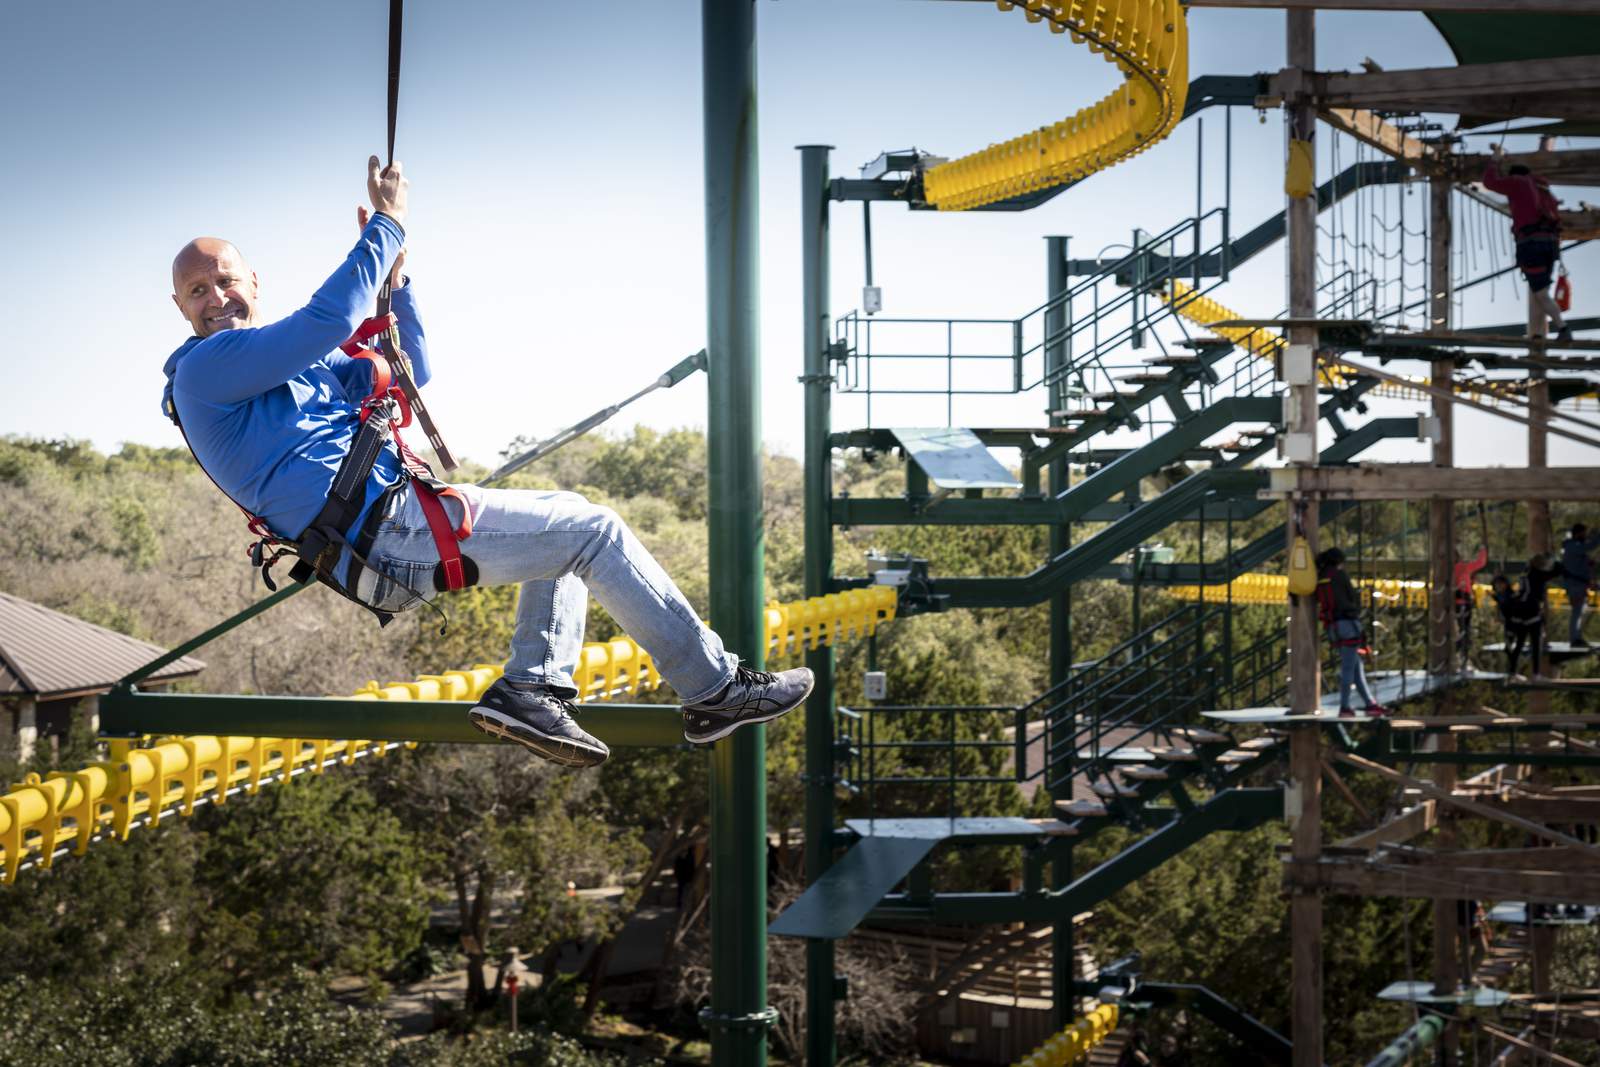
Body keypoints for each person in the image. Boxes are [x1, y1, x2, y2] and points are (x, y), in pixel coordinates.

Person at [161, 157, 812, 768]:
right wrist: (388, 222)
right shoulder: (204, 373)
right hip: (385, 531)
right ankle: (713, 686)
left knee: (571, 522)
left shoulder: (295, 370)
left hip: (386, 532)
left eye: (225, 280)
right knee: (595, 533)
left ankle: (533, 686)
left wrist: (398, 280)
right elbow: (327, 317)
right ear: (181, 311)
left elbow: (411, 369)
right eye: (197, 291)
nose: (215, 298)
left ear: (253, 283)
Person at [1483, 151, 1572, 343]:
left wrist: (1494, 162)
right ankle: (1539, 332)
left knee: (1540, 293)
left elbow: (1490, 183)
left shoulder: (1518, 182)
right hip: (1549, 245)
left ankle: (1563, 328)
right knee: (1541, 291)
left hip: (1532, 245)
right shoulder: (1543, 189)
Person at [1315, 547, 1388, 717]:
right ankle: (1345, 707)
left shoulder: (1321, 577)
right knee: (1348, 668)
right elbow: (1352, 598)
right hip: (1347, 625)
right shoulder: (1339, 576)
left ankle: (1370, 703)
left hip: (1332, 627)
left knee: (1357, 666)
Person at [1491, 556, 1563, 678]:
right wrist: (1554, 561)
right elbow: (1557, 571)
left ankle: (1517, 672)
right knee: (1528, 645)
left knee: (1522, 645)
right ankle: (1529, 673)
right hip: (1528, 616)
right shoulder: (1535, 575)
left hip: (1524, 617)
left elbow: (1518, 596)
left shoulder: (1524, 577)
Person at [1559, 522, 1600, 648]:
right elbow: (1590, 546)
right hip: (1575, 585)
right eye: (1584, 533)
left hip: (1579, 584)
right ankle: (1574, 638)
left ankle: (1576, 637)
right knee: (1576, 612)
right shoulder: (1573, 546)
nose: (1585, 536)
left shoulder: (1574, 547)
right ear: (1578, 533)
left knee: (1579, 612)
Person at [1453, 544, 1488, 668]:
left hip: (1454, 603)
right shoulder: (1463, 567)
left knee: (1462, 631)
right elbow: (1481, 563)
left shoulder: (1443, 570)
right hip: (1463, 602)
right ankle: (1460, 657)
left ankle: (1459, 656)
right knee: (1465, 631)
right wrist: (1482, 549)